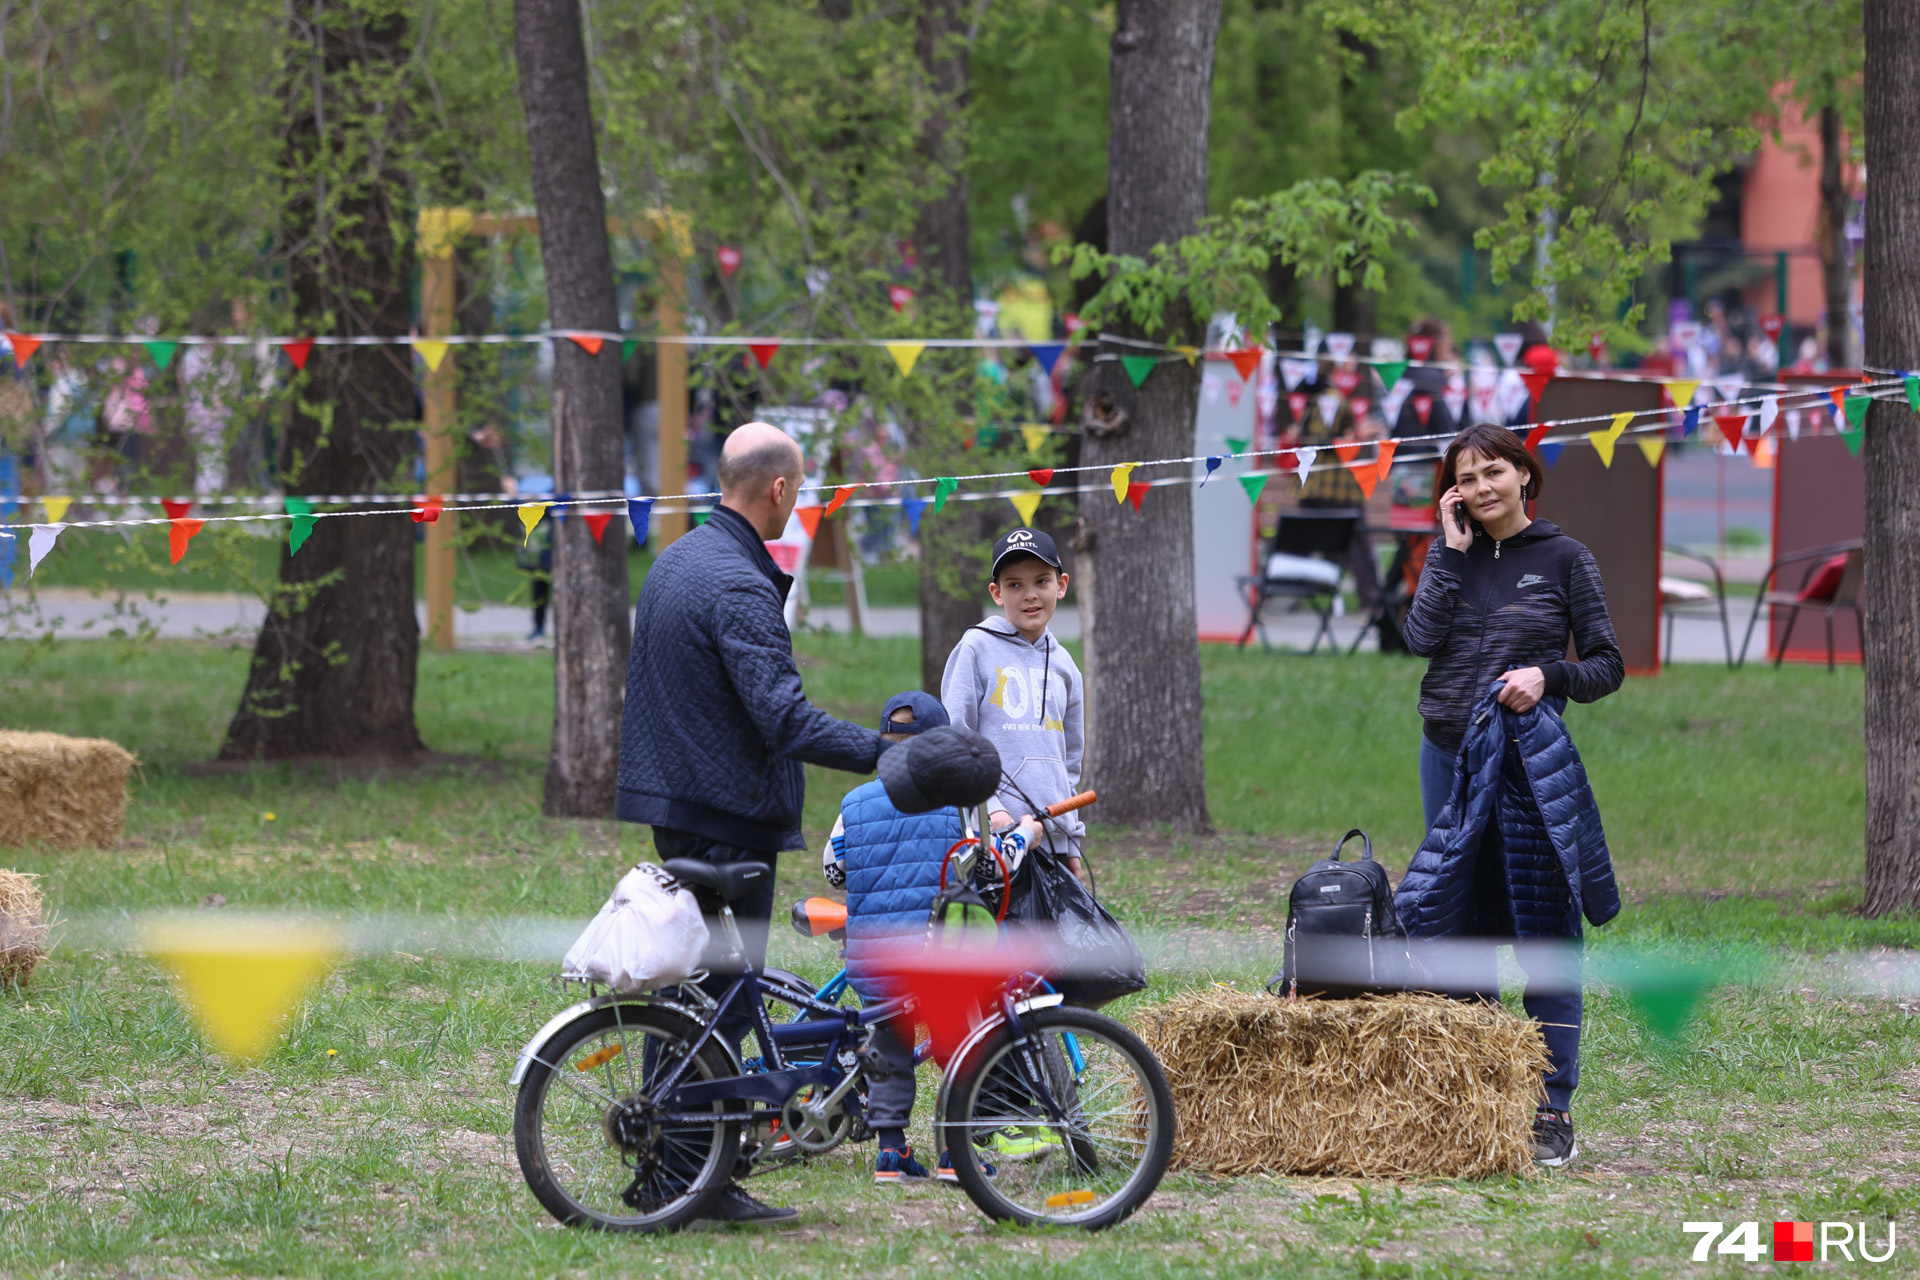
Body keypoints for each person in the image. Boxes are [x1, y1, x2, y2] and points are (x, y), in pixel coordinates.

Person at [616, 420, 888, 1224]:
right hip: (725, 818)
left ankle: (678, 1171)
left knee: (692, 997)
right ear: (777, 490)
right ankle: (690, 1181)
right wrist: (886, 751)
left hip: (682, 805)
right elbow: (785, 719)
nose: (795, 505)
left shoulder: (677, 560)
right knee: (722, 1005)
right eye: (798, 493)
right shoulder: (736, 581)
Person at [1397, 422, 1624, 1169]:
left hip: (1528, 764)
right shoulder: (1450, 555)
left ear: (1525, 475)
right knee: (1454, 923)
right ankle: (1480, 1098)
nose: (1481, 486)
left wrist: (1546, 677)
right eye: (1465, 477)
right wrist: (1450, 555)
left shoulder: (1565, 558)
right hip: (1449, 758)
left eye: (1493, 471)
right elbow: (1419, 639)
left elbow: (1604, 665)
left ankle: (1552, 1110)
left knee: (1544, 931)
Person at [822, 691, 1042, 1184]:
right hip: (934, 958)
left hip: (875, 958)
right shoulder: (960, 804)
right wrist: (1025, 835)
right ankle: (953, 1153)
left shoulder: (853, 803)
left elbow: (834, 870)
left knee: (888, 1049)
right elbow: (992, 865)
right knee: (956, 1047)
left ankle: (892, 1153)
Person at [940, 527, 1085, 879]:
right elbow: (956, 740)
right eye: (1015, 585)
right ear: (997, 593)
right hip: (994, 837)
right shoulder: (976, 648)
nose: (1030, 595)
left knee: (1052, 934)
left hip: (1050, 839)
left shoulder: (1066, 666)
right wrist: (990, 811)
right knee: (997, 934)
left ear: (1061, 585)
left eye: (1041, 581)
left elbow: (1069, 765)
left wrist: (1071, 841)